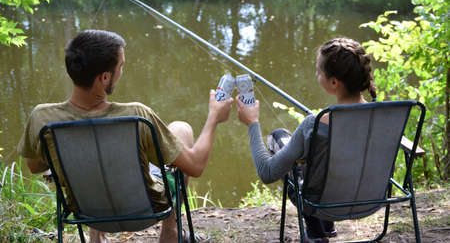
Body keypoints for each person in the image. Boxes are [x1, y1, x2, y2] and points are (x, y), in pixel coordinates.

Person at [17, 29, 233, 243]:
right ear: (104, 77)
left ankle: (96, 236)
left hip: (86, 211)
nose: (122, 72)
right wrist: (214, 117)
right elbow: (195, 166)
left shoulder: (42, 117)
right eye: (121, 66)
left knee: (92, 160)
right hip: (145, 210)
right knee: (182, 129)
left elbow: (35, 167)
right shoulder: (137, 116)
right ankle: (171, 232)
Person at [236, 37, 377, 243]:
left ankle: (317, 233)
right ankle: (326, 228)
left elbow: (267, 172)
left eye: (319, 71)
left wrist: (252, 123)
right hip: (371, 200)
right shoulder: (383, 117)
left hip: (323, 203)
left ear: (334, 82)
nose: (316, 74)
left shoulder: (314, 124)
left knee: (278, 137)